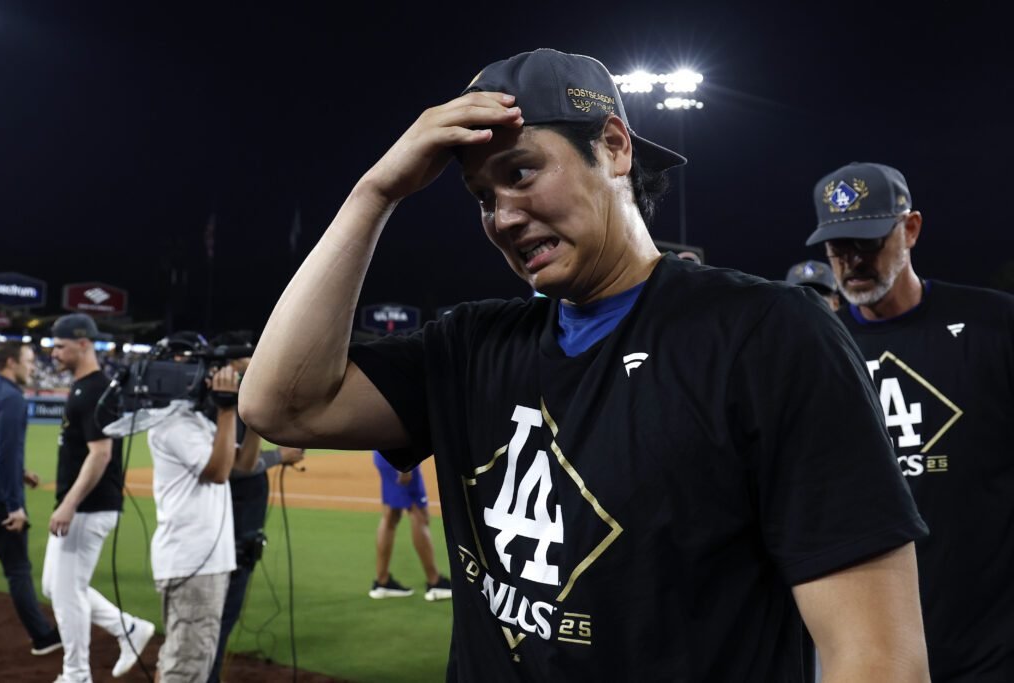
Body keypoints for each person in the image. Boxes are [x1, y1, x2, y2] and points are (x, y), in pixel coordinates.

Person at [241, 48, 930, 681]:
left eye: (521, 172)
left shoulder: (765, 335)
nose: (502, 217)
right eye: (482, 196)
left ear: (614, 146)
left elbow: (877, 655)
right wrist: (375, 194)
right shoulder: (473, 345)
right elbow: (281, 405)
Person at [806, 161, 1014, 681]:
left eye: (868, 242)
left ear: (911, 229)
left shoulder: (996, 327)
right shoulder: (812, 349)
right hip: (868, 652)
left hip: (991, 646)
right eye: (838, 248)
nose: (852, 262)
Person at [41, 313, 155, 682]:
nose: (54, 352)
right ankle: (129, 629)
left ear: (83, 344)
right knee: (53, 586)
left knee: (67, 592)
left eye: (60, 345)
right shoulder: (84, 387)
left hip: (88, 507)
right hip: (86, 506)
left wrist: (69, 504)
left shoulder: (94, 390)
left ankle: (76, 675)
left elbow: (101, 453)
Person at [145, 331, 260, 683]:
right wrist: (227, 410)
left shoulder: (193, 421)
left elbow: (242, 464)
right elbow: (218, 472)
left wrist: (252, 414)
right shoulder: (172, 424)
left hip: (201, 562)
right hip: (194, 563)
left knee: (185, 656)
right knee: (188, 666)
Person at [207, 331, 305, 683]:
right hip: (231, 525)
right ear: (233, 364)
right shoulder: (223, 405)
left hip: (235, 523)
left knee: (218, 618)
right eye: (249, 360)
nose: (255, 365)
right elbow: (235, 468)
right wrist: (280, 455)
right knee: (217, 619)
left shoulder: (228, 402)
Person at [0, 341, 61, 656]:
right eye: (29, 361)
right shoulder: (12, 398)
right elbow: (5, 455)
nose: (33, 367)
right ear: (10, 362)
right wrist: (15, 506)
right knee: (18, 570)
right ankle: (42, 637)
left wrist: (22, 471)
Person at [369, 450, 452, 601]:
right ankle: (435, 582)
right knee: (419, 514)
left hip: (383, 454)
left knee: (391, 515)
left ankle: (382, 581)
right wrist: (404, 468)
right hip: (400, 458)